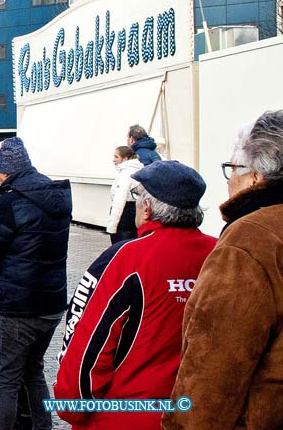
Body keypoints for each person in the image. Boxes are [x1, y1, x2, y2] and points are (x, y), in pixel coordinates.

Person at [55, 161, 216, 430]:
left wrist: (73, 405)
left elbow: (88, 340)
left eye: (136, 196)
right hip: (197, 411)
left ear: (147, 207)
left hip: (127, 413)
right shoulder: (220, 252)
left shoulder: (127, 258)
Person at [164, 111, 283, 430]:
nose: (229, 180)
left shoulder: (249, 240)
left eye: (232, 169)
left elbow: (212, 372)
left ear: (256, 177)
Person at [0, 136, 71, 430]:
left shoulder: (8, 202)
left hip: (18, 307)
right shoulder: (57, 196)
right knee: (33, 372)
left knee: (6, 381)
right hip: (52, 304)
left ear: (6, 170)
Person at [106, 145, 143, 244]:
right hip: (137, 210)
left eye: (116, 157)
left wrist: (112, 226)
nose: (113, 160)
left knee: (119, 245)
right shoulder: (139, 171)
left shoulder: (125, 174)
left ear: (125, 158)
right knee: (133, 243)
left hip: (124, 213)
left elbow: (119, 200)